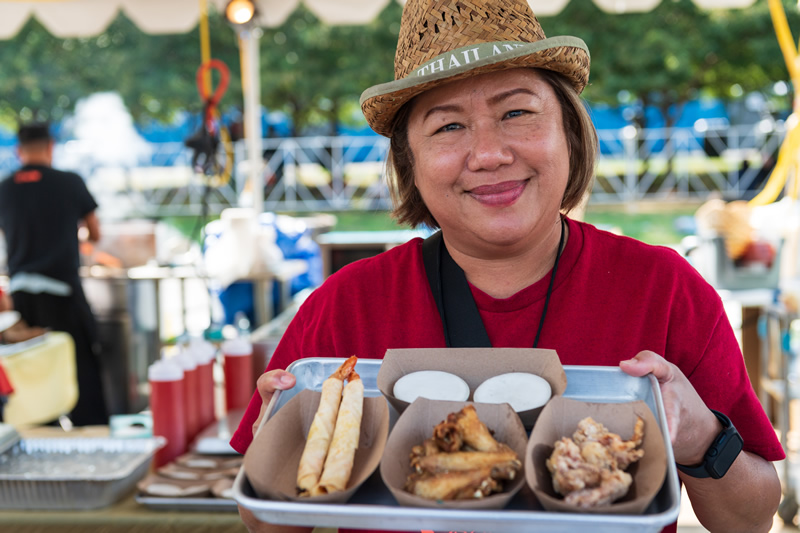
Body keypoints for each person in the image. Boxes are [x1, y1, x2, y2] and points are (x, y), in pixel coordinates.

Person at [231, 1, 784, 532]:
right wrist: (272, 459)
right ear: (410, 163)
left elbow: (751, 519)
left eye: (516, 112)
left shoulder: (664, 289)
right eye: (448, 126)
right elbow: (265, 522)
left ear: (569, 130)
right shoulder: (344, 307)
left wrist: (699, 438)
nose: (489, 153)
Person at [0, 122, 108, 426]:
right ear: (51, 147)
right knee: (80, 364)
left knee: (34, 366)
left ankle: (42, 431)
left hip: (21, 293)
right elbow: (95, 232)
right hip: (62, 291)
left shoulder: (5, 187)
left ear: (18, 151)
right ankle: (91, 430)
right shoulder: (70, 182)